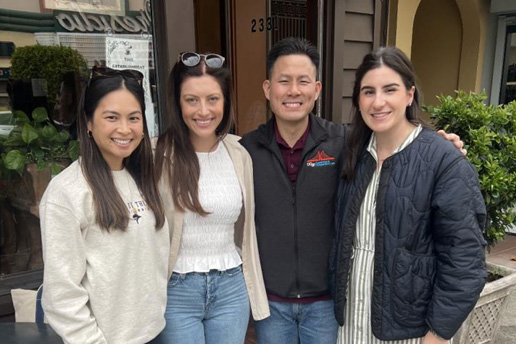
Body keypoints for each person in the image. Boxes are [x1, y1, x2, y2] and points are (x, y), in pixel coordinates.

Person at [240, 37, 466, 344]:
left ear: (317, 90)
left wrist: (438, 145)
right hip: (272, 304)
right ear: (268, 89)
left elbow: (395, 137)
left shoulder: (343, 142)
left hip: (326, 303)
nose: (294, 91)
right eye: (284, 81)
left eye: (303, 81)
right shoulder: (245, 152)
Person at [330, 46, 487, 344]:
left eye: (390, 89)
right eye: (368, 91)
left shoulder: (444, 162)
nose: (378, 102)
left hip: (411, 334)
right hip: (350, 325)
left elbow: (464, 262)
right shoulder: (352, 154)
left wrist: (438, 335)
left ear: (409, 94)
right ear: (358, 100)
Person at [40, 66, 169, 344]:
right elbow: (61, 293)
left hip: (155, 333)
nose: (125, 129)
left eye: (134, 118)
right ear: (88, 121)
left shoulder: (144, 178)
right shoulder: (67, 192)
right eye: (111, 117)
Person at [153, 52, 269, 344]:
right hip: (177, 288)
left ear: (225, 101)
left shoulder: (239, 152)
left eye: (212, 99)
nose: (203, 110)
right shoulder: (157, 154)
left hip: (231, 287)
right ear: (178, 102)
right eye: (191, 99)